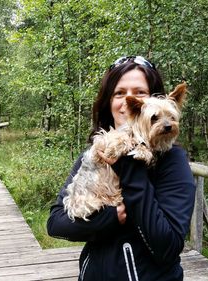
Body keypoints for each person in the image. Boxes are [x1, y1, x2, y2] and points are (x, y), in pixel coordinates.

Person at [47, 55, 196, 281]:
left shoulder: (172, 161)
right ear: (109, 101)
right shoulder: (95, 154)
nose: (128, 100)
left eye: (139, 92)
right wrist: (113, 217)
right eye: (119, 93)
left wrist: (129, 164)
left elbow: (167, 246)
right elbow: (56, 223)